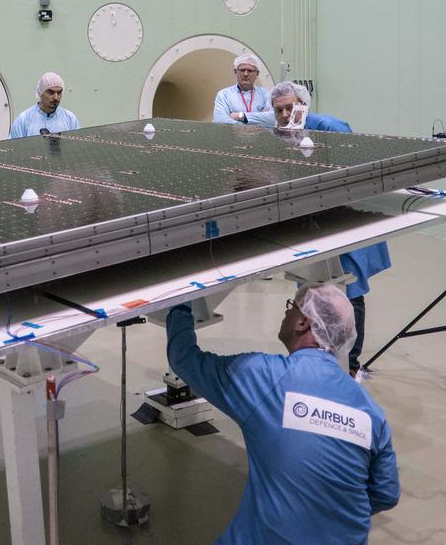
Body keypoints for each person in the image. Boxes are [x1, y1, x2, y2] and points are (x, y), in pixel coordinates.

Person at [166, 284, 399, 544]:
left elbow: (184, 358)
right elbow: (387, 494)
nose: (286, 313)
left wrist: (182, 301)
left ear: (303, 322)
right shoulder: (370, 412)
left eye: (291, 306)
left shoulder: (264, 377)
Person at [269, 80, 391, 378]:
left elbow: (354, 164)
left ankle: (351, 364)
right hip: (311, 225)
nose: (284, 115)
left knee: (350, 291)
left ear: (302, 105)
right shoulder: (282, 135)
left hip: (344, 222)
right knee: (310, 289)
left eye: (289, 108)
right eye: (278, 110)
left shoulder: (329, 126)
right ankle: (317, 354)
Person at [9, 72, 79, 139]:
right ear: (41, 92)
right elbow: (14, 149)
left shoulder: (70, 119)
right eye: (51, 92)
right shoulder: (24, 121)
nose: (56, 97)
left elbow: (78, 147)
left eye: (59, 92)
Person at [212, 54, 275, 126]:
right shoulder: (224, 95)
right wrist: (260, 118)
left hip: (260, 137)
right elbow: (220, 120)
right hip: (233, 136)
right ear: (235, 72)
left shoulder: (266, 95)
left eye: (250, 71)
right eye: (242, 70)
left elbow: (272, 118)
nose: (245, 74)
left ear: (257, 73)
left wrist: (240, 116)